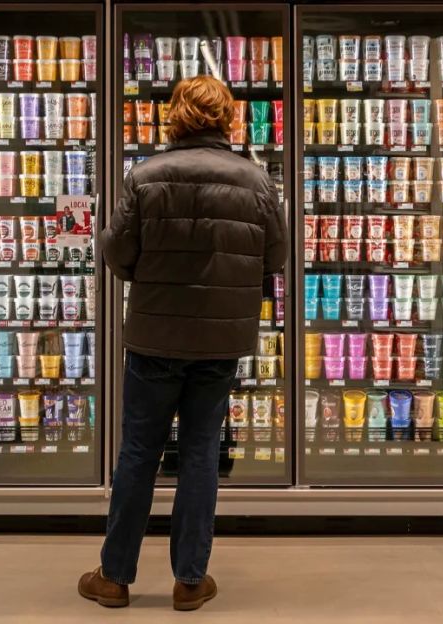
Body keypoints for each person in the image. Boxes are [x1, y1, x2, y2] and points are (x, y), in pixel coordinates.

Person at [78, 75, 288, 611]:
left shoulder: (145, 175)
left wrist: (107, 238)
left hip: (154, 337)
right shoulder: (255, 180)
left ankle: (115, 576)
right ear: (227, 118)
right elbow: (277, 256)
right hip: (220, 339)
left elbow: (119, 255)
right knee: (200, 453)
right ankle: (190, 580)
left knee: (139, 451)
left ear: (175, 115)